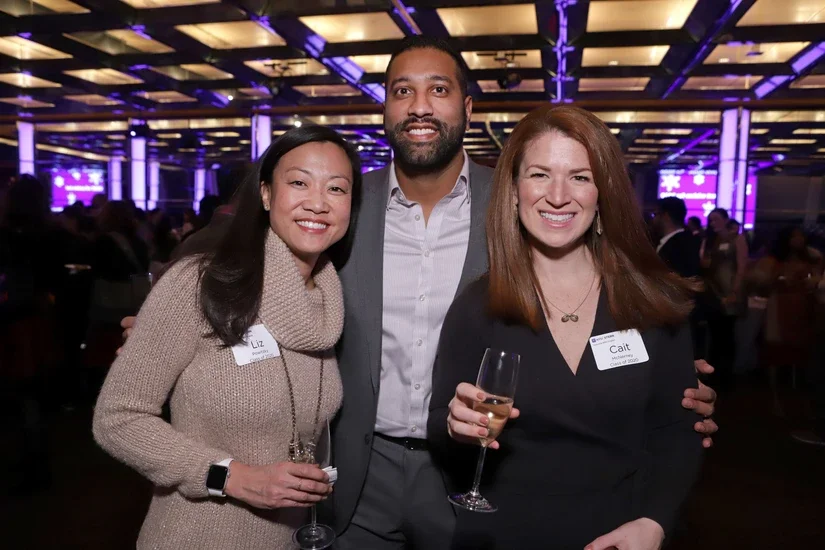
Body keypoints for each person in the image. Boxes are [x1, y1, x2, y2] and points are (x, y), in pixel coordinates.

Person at [119, 37, 719, 549]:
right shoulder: (343, 203)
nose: (420, 106)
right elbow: (244, 241)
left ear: (467, 105)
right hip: (359, 466)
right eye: (402, 91)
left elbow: (601, 319)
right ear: (385, 109)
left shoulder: (515, 202)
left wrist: (659, 385)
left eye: (438, 89)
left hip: (472, 477)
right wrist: (163, 315)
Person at [429, 105, 703, 550]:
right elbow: (440, 428)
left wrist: (655, 521)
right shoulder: (478, 307)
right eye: (540, 174)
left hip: (621, 534)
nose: (558, 195)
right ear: (514, 191)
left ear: (603, 193)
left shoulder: (651, 303)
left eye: (579, 176)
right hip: (504, 536)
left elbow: (677, 431)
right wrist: (456, 427)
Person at [93, 126, 361, 549]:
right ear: (267, 195)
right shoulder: (198, 283)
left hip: (290, 538)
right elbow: (118, 419)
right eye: (298, 182)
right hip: (197, 535)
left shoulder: (329, 303)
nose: (317, 202)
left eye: (337, 189)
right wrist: (230, 476)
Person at [761, 227, 822, 415]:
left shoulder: (812, 257)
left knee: (799, 349)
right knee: (775, 348)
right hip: (779, 304)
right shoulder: (774, 259)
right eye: (794, 236)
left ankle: (798, 396)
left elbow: (816, 280)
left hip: (801, 306)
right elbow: (764, 283)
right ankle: (775, 396)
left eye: (800, 236)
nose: (797, 239)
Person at [700, 208, 747, 391]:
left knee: (727, 335)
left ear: (726, 219)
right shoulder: (711, 240)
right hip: (714, 292)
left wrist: (735, 291)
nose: (713, 223)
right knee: (715, 334)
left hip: (730, 291)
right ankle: (714, 374)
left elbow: (742, 267)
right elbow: (704, 265)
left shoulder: (737, 239)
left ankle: (726, 376)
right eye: (710, 220)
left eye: (716, 219)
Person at [653, 197, 700, 278]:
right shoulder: (683, 240)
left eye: (655, 214)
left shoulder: (680, 244)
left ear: (665, 216)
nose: (653, 219)